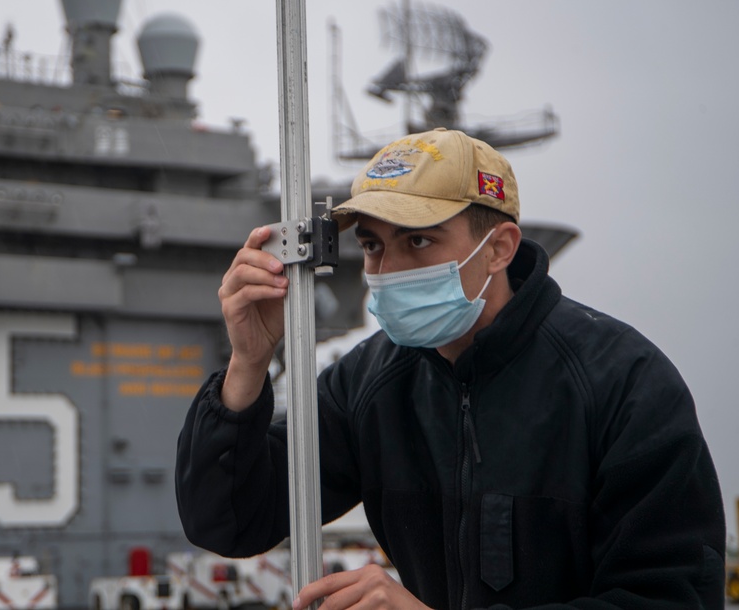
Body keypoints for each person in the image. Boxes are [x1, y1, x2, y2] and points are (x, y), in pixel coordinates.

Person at [175, 128, 726, 609]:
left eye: (418, 241)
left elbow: (670, 595)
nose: (386, 270)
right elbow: (231, 520)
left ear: (499, 248)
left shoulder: (625, 383)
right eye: (371, 245)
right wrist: (248, 362)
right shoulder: (368, 384)